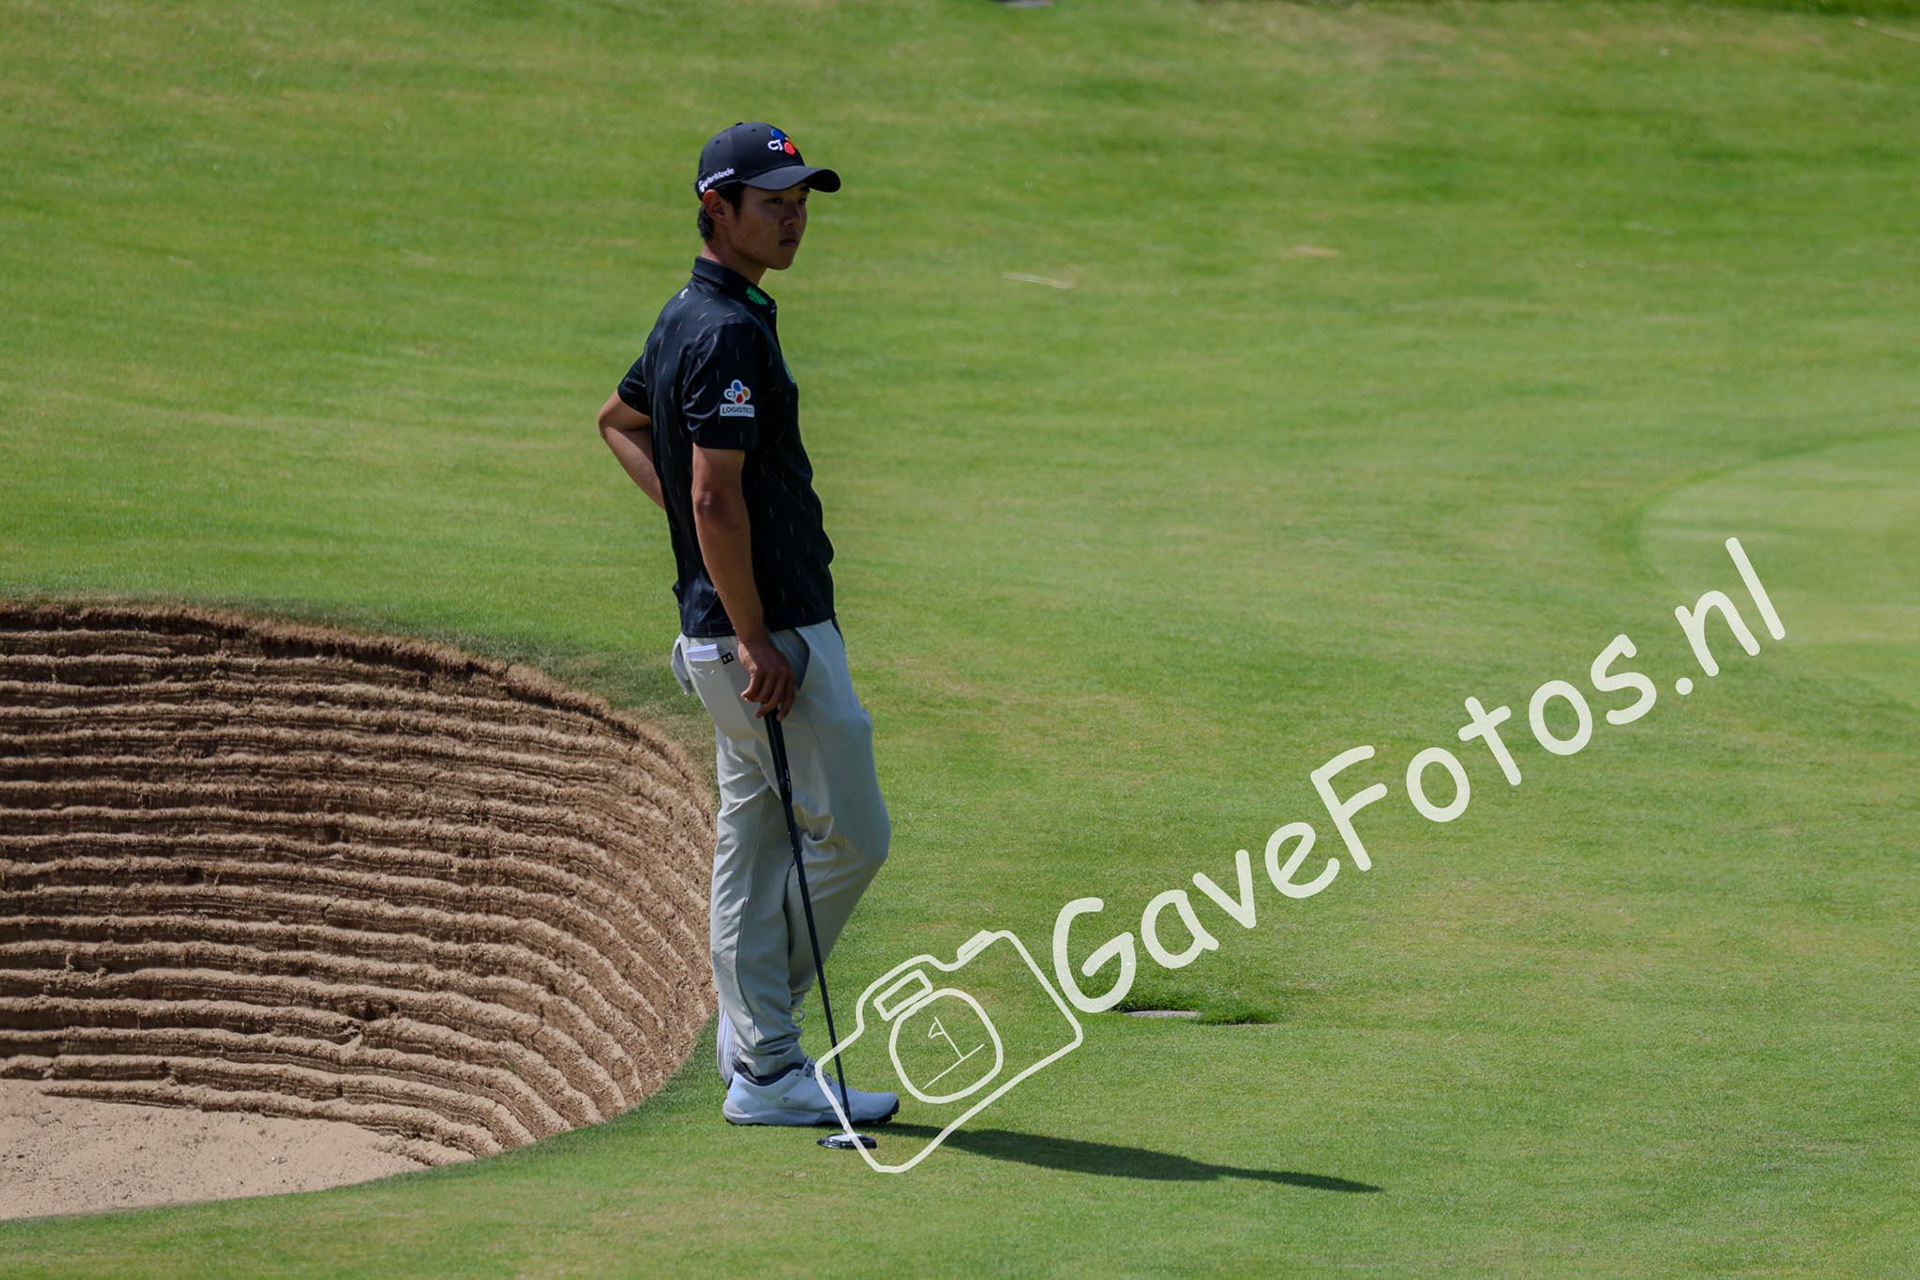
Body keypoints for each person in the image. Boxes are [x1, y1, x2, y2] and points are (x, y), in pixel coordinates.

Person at [595, 122, 897, 1129]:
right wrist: (753, 625)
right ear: (715, 206)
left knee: (758, 838)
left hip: (728, 635)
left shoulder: (697, 313)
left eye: (802, 200)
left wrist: (707, 568)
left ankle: (758, 1053)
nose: (794, 216)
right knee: (853, 832)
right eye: (773, 201)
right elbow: (713, 496)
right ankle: (765, 1055)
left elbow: (621, 422)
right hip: (766, 641)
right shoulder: (723, 329)